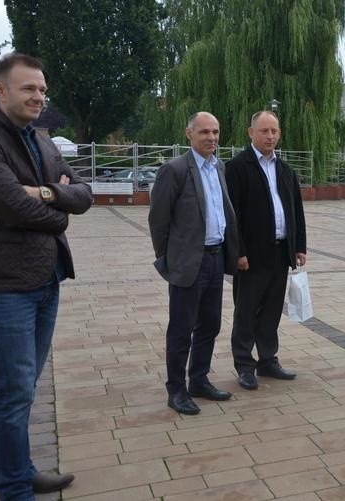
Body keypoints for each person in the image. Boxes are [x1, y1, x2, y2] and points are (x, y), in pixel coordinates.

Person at [0, 53, 92, 500]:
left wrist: (49, 192)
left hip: (46, 278)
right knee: (13, 389)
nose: (38, 97)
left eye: (42, 90)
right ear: (1, 90)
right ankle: (12, 486)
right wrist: (57, 211)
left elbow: (82, 193)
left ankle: (21, 470)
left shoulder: (41, 140)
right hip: (3, 285)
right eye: (29, 89)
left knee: (26, 385)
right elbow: (13, 205)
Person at [148, 111, 238, 415]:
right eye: (204, 132)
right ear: (189, 134)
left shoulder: (219, 167)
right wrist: (168, 259)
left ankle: (199, 379)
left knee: (209, 325)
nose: (211, 138)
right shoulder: (174, 170)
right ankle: (176, 389)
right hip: (189, 262)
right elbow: (158, 220)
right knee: (181, 329)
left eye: (215, 132)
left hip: (215, 258)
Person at [226, 110, 306, 391]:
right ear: (251, 133)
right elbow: (231, 214)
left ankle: (268, 359)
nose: (270, 136)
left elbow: (296, 209)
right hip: (251, 255)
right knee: (246, 311)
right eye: (264, 131)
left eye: (274, 131)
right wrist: (238, 252)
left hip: (280, 252)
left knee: (272, 310)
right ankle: (244, 365)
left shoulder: (285, 169)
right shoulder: (237, 167)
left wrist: (299, 246)